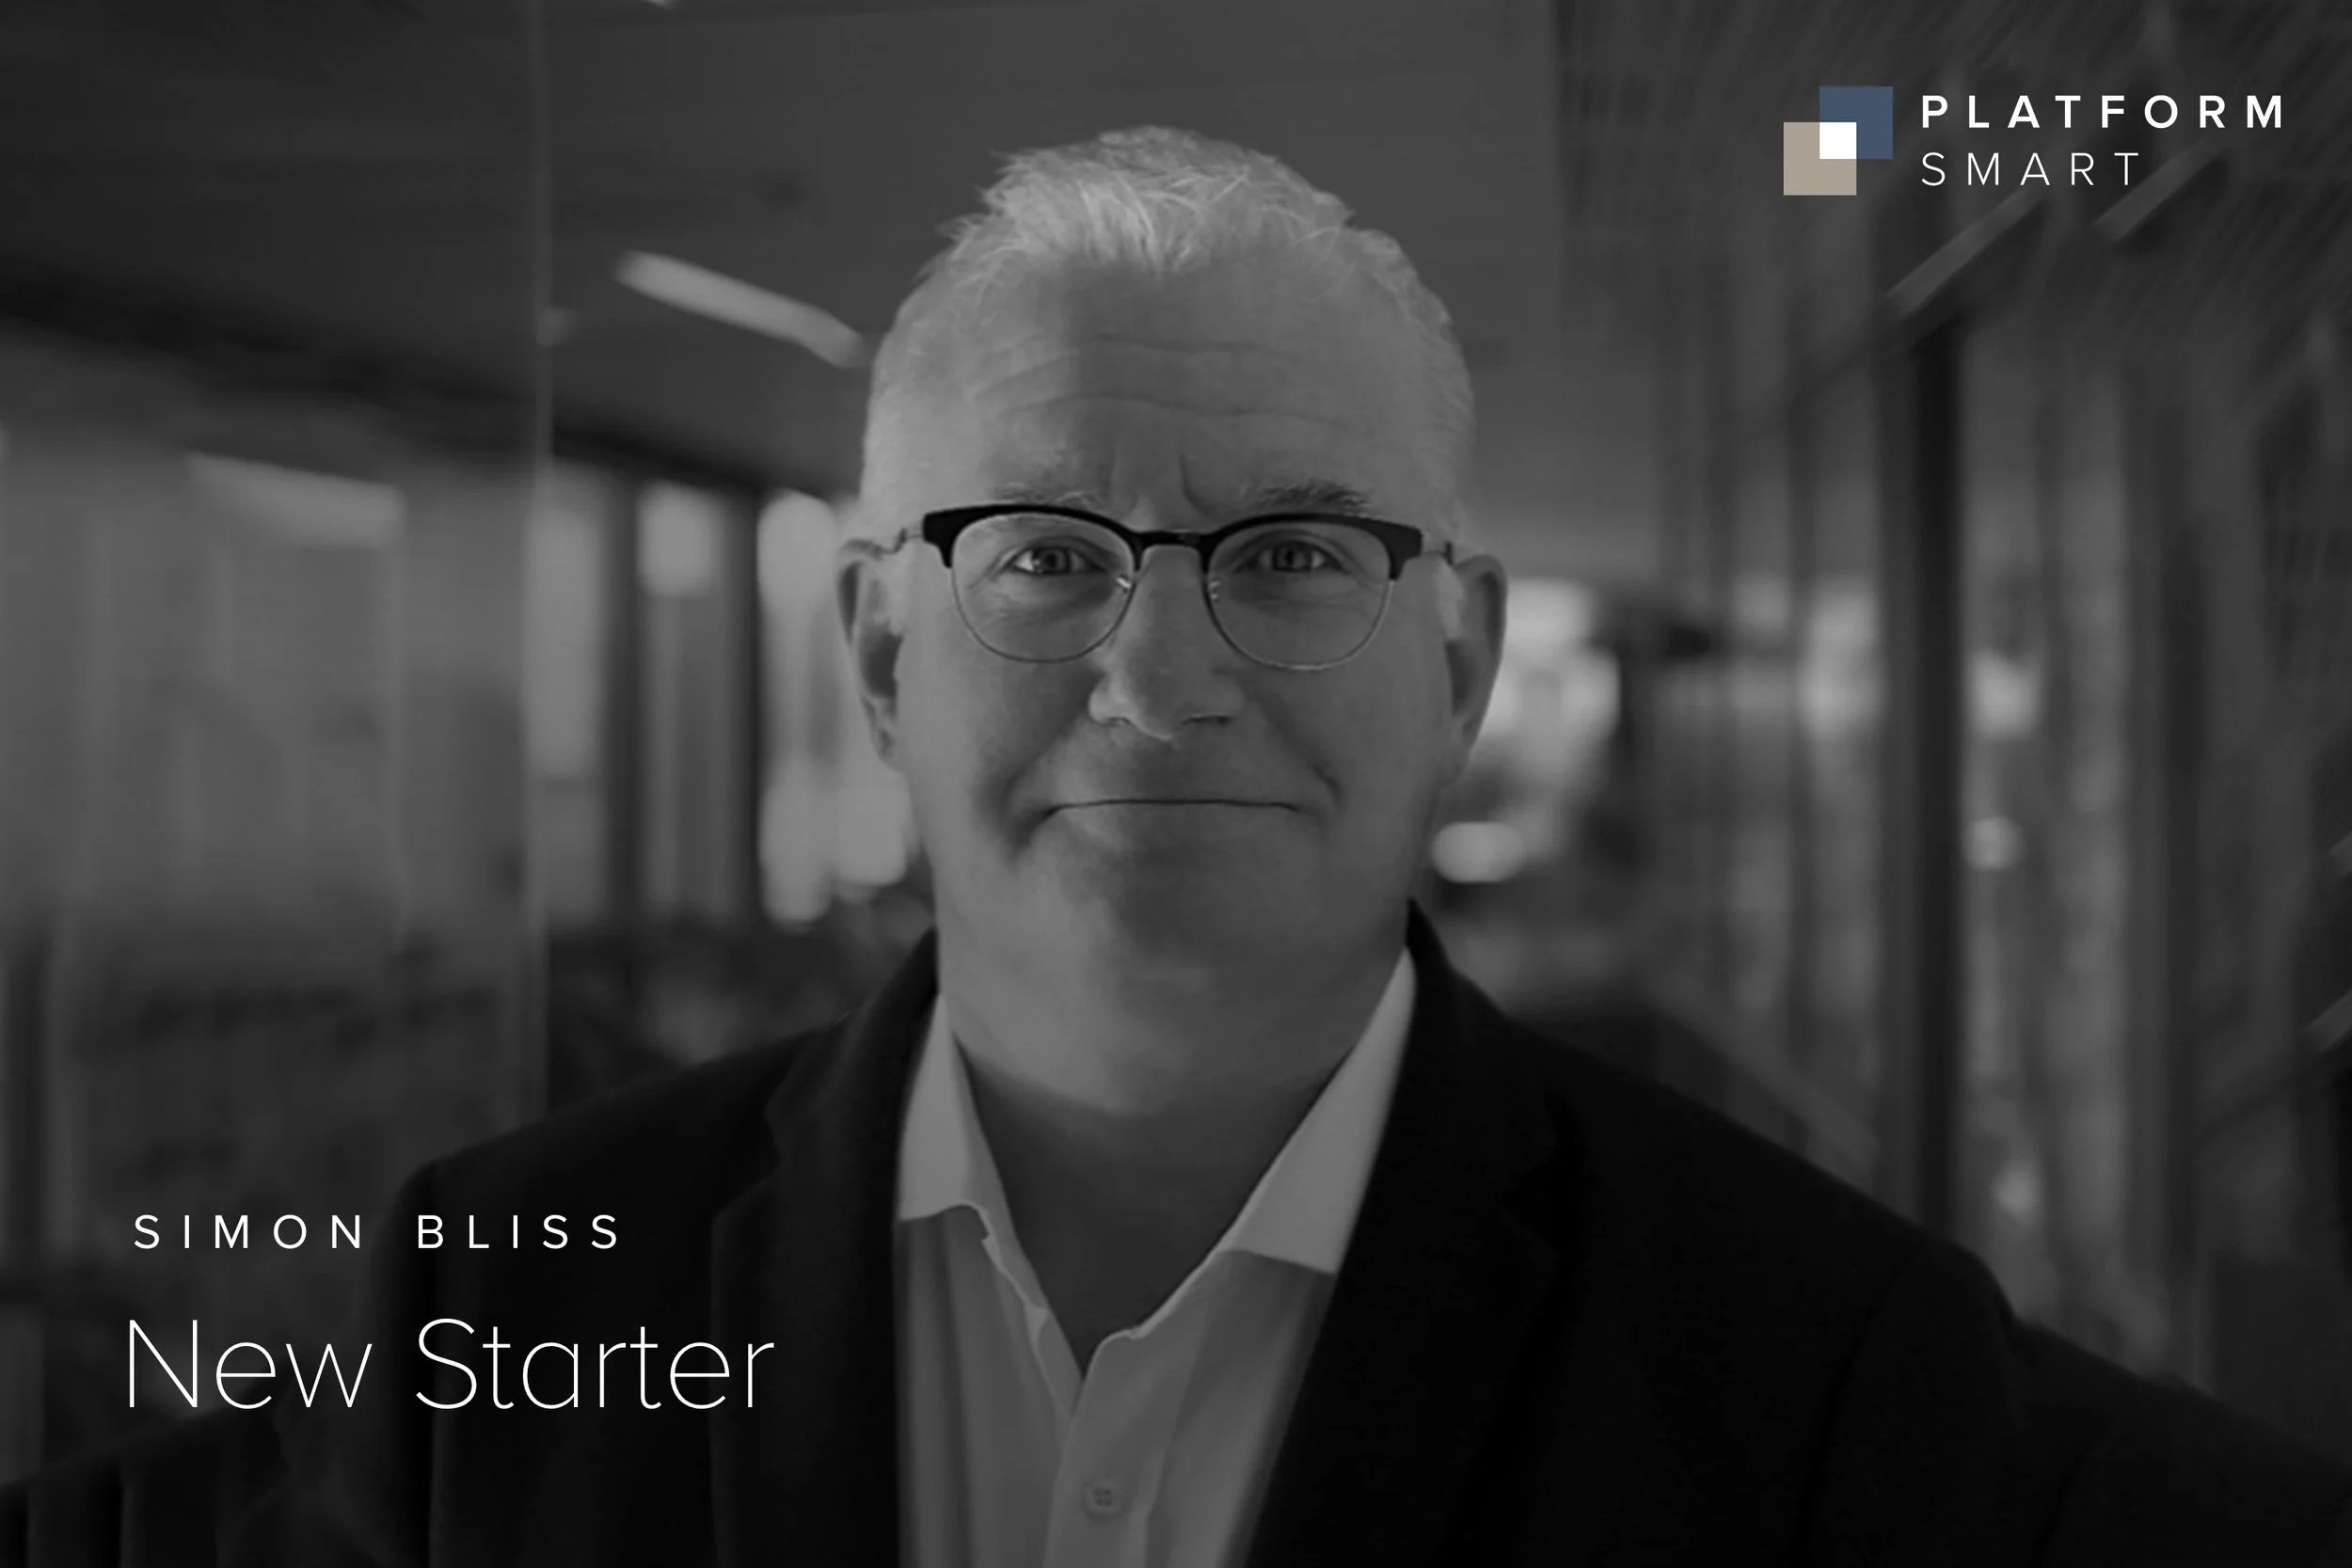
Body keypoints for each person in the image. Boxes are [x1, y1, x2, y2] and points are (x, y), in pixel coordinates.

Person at [8, 125, 2352, 1568]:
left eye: (1296, 555)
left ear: (1455, 659)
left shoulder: (1819, 1365)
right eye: (1043, 554)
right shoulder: (517, 1292)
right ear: (878, 649)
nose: (1158, 675)